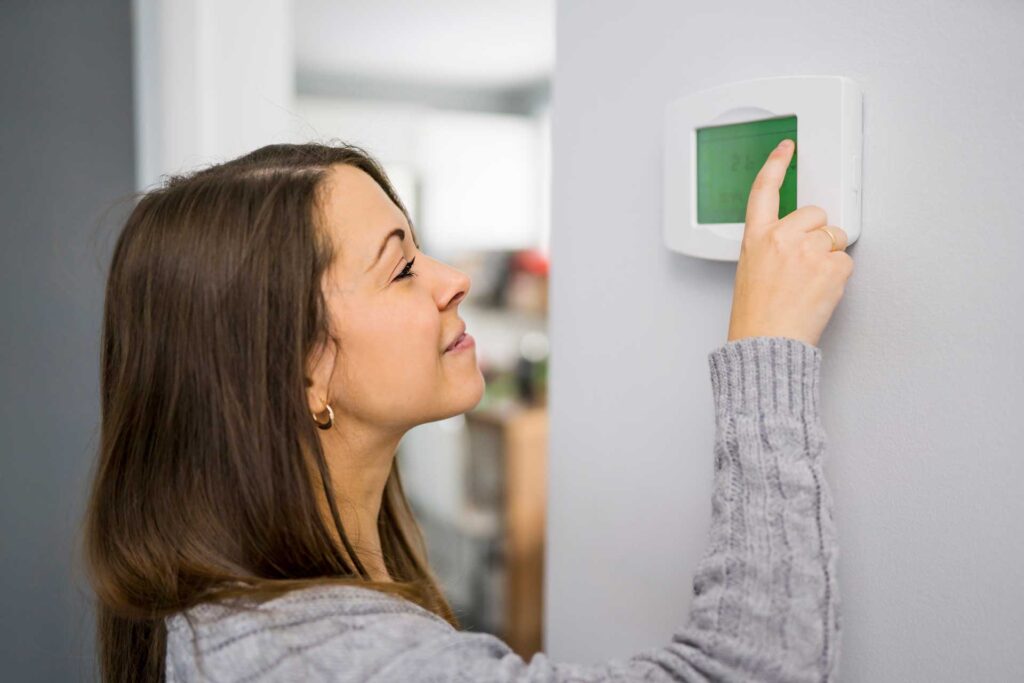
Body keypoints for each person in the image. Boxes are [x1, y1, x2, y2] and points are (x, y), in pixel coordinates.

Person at [83, 138, 851, 682]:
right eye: (402, 266)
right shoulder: (337, 660)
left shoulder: (229, 612)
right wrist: (768, 346)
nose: (451, 279)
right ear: (302, 368)